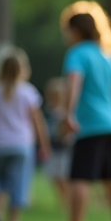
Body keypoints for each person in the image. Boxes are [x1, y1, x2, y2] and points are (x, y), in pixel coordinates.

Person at [58, 1, 111, 221]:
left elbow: (74, 83)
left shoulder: (77, 54)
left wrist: (67, 114)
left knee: (80, 177)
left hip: (89, 125)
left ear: (76, 31)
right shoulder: (107, 55)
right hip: (110, 124)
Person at [0, 49, 51, 221]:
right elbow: (37, 121)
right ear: (23, 69)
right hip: (21, 144)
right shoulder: (28, 92)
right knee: (19, 183)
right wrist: (44, 144)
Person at [42, 77, 74, 209]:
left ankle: (67, 200)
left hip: (64, 148)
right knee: (54, 176)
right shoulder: (48, 111)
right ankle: (63, 199)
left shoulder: (67, 111)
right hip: (53, 147)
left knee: (63, 176)